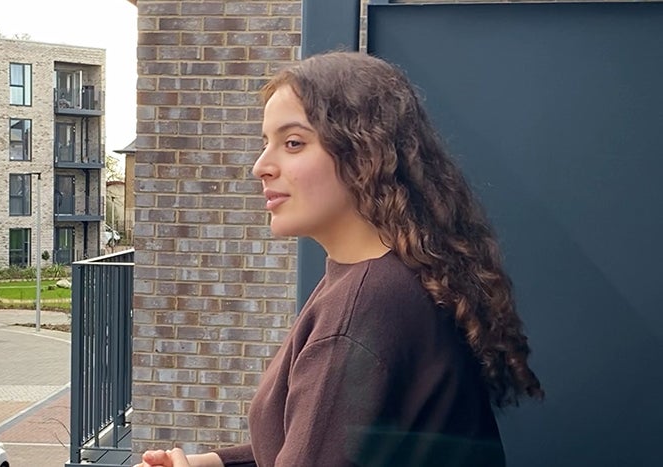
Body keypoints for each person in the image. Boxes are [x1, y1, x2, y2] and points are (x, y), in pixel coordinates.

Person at [136, 50, 544, 467]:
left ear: (365, 155)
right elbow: (329, 439)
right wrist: (215, 463)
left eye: (293, 143)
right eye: (266, 144)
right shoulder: (385, 278)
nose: (261, 166)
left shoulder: (363, 307)